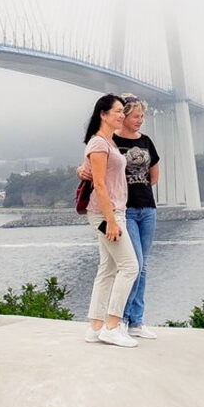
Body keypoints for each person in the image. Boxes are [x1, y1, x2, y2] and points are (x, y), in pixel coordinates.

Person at [82, 93, 140, 347]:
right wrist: (111, 221)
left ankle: (95, 327)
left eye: (122, 111)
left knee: (107, 269)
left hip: (113, 212)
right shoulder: (99, 143)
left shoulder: (107, 142)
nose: (121, 115)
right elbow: (100, 184)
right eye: (117, 111)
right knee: (130, 267)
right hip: (107, 213)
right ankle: (112, 326)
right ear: (103, 115)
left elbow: (90, 172)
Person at [114, 95, 161, 339]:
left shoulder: (146, 141)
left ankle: (136, 321)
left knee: (143, 267)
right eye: (136, 116)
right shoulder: (111, 140)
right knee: (134, 265)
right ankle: (121, 318)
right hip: (126, 210)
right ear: (123, 116)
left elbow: (154, 174)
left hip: (148, 208)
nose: (140, 120)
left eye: (142, 116)